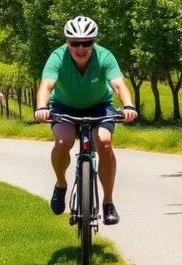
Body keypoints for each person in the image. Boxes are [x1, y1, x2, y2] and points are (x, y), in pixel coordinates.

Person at [34, 16, 137, 225]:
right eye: (74, 43)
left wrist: (128, 106)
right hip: (64, 107)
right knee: (62, 142)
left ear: (94, 42)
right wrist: (42, 108)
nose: (81, 48)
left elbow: (118, 85)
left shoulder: (104, 56)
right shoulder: (57, 57)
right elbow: (46, 86)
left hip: (99, 106)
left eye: (87, 43)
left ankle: (108, 202)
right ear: (67, 43)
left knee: (105, 142)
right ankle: (61, 184)